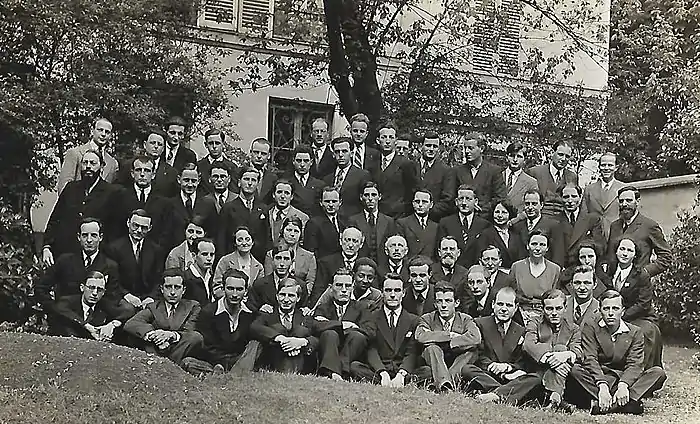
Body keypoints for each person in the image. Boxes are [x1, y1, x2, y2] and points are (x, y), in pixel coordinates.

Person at [578, 290, 667, 415]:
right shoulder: (591, 327)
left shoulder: (635, 332)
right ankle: (628, 403)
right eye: (606, 308)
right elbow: (590, 358)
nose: (610, 313)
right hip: (599, 378)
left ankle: (608, 405)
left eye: (615, 308)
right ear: (600, 310)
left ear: (623, 311)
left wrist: (623, 385)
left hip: (623, 379)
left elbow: (635, 364)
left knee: (658, 373)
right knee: (575, 370)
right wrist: (602, 385)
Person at [460, 287, 542, 404]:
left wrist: (508, 367)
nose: (504, 309)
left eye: (508, 305)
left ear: (515, 308)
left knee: (536, 378)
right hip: (488, 375)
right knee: (467, 369)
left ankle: (495, 394)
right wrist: (492, 366)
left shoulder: (521, 330)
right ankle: (506, 393)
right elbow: (478, 354)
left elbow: (522, 361)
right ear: (493, 304)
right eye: (500, 304)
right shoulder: (479, 323)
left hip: (511, 377)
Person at [37, 218, 126, 317]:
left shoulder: (110, 266)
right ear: (79, 237)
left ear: (100, 237)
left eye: (93, 235)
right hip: (65, 317)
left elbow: (112, 299)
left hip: (95, 318)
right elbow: (41, 288)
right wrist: (54, 308)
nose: (89, 240)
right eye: (85, 235)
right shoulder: (64, 261)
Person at [43, 150, 121, 264]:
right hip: (64, 253)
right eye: (85, 163)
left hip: (95, 258)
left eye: (93, 163)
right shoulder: (70, 188)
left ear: (101, 166)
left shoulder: (112, 192)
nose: (88, 166)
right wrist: (47, 246)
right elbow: (55, 219)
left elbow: (115, 230)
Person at [349, 273, 420, 387]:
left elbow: (412, 352)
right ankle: (385, 381)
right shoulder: (371, 317)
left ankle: (399, 381)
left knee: (426, 371)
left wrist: (401, 374)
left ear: (403, 293)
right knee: (355, 367)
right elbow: (371, 349)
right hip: (379, 369)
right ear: (382, 292)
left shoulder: (413, 320)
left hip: (402, 370)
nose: (392, 295)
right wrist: (382, 372)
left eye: (397, 290)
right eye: (388, 290)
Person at [123, 268, 204, 367]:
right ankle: (158, 364)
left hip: (179, 348)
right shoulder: (154, 307)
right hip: (157, 348)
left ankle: (168, 366)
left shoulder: (192, 306)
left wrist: (171, 335)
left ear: (183, 290)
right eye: (168, 287)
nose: (172, 292)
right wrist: (154, 335)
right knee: (139, 336)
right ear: (162, 289)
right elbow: (132, 323)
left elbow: (189, 330)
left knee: (195, 337)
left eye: (177, 287)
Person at [605, 238, 663, 368]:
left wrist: (621, 316)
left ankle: (640, 370)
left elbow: (643, 304)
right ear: (616, 251)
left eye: (629, 250)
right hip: (613, 313)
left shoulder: (641, 275)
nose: (625, 253)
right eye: (622, 249)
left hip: (639, 316)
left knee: (645, 331)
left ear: (635, 255)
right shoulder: (610, 270)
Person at [251, 278, 328, 373]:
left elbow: (316, 336)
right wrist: (280, 338)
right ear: (277, 296)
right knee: (278, 328)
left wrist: (301, 342)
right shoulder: (268, 313)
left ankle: (289, 372)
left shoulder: (304, 315)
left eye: (291, 295)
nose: (286, 300)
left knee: (300, 331)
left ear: (298, 298)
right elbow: (254, 328)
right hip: (273, 360)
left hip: (301, 362)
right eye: (282, 295)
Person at [415, 282, 481, 391]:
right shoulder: (427, 318)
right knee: (432, 348)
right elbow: (420, 336)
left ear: (457, 303)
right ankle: (446, 384)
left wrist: (447, 342)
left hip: (457, 359)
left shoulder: (465, 319)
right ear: (435, 304)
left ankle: (447, 383)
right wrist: (449, 335)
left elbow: (475, 338)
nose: (443, 305)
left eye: (448, 301)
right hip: (435, 361)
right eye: (439, 301)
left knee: (471, 351)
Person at [523, 289, 581, 411]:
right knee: (560, 349)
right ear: (543, 309)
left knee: (562, 350)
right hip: (539, 370)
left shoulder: (573, 328)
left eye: (558, 308)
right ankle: (557, 398)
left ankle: (554, 398)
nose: (554, 313)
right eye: (549, 309)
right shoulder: (535, 323)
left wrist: (565, 355)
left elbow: (577, 350)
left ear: (565, 308)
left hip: (566, 376)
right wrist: (553, 358)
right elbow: (528, 344)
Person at [313, 268, 375, 380]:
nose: (344, 290)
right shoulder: (323, 307)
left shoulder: (361, 307)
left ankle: (334, 371)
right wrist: (343, 325)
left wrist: (329, 324)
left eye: (348, 286)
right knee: (330, 334)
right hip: (329, 348)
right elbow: (315, 326)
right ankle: (336, 373)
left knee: (358, 336)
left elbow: (370, 331)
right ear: (331, 288)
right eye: (339, 285)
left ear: (352, 287)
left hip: (351, 353)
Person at [195, 269, 260, 373]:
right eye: (230, 288)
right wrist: (224, 362)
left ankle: (231, 371)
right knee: (188, 362)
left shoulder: (251, 312)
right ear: (223, 289)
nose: (234, 294)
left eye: (239, 289)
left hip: (241, 358)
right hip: (215, 360)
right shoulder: (209, 312)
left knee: (256, 344)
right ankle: (232, 371)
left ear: (246, 291)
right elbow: (208, 348)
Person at [105, 209, 165, 310]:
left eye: (144, 228)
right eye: (135, 225)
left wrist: (151, 297)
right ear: (128, 223)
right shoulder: (114, 248)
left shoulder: (156, 250)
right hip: (123, 297)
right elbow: (112, 280)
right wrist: (127, 295)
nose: (139, 230)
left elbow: (159, 279)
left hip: (148, 299)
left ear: (150, 228)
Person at [606, 186, 671, 278]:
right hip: (615, 281)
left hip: (638, 282)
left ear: (637, 201)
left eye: (629, 200)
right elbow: (610, 255)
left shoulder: (649, 226)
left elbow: (666, 257)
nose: (624, 204)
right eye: (621, 201)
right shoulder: (614, 226)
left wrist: (646, 272)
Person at [51, 271, 128, 341]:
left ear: (104, 292)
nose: (95, 293)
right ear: (82, 288)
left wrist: (111, 325)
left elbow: (128, 311)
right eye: (91, 288)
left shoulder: (104, 305)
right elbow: (59, 308)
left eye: (99, 290)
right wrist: (86, 325)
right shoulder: (68, 301)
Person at [507, 230, 562, 326]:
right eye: (534, 244)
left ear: (547, 248)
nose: (537, 248)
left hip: (545, 315)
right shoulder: (516, 267)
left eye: (542, 245)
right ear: (527, 246)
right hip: (520, 314)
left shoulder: (555, 269)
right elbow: (510, 293)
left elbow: (555, 297)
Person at [114, 156, 170, 245]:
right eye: (138, 170)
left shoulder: (163, 200)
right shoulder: (120, 197)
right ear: (132, 173)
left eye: (147, 171)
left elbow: (165, 232)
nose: (142, 174)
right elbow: (115, 229)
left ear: (153, 174)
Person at [450, 132, 507, 218]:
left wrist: (482, 208)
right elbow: (451, 196)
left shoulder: (494, 171)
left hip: (485, 218)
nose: (467, 151)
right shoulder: (457, 171)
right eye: (465, 148)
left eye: (471, 148)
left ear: (482, 148)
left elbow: (500, 197)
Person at [57, 117, 119, 193]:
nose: (103, 134)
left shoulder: (112, 163)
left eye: (107, 132)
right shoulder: (75, 153)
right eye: (100, 130)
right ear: (92, 131)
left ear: (110, 136)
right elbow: (64, 187)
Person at [218, 167, 268, 258]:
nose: (250, 183)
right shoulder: (228, 208)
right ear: (239, 182)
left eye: (253, 180)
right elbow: (221, 239)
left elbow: (267, 238)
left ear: (257, 184)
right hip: (234, 258)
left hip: (257, 259)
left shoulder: (263, 208)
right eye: (246, 179)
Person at [436, 184, 491, 268]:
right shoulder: (445, 223)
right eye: (461, 199)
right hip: (453, 270)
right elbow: (439, 252)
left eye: (468, 199)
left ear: (476, 201)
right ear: (456, 202)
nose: (464, 203)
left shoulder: (484, 225)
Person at [164, 163, 216, 250]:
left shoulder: (208, 204)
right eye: (186, 180)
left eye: (193, 181)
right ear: (179, 179)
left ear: (199, 181)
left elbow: (213, 232)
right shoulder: (169, 204)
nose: (190, 184)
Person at [310, 227, 364, 306]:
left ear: (361, 244)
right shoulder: (326, 263)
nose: (350, 245)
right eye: (347, 240)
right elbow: (318, 290)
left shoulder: (365, 265)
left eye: (355, 241)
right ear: (340, 241)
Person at [374, 123, 418, 218]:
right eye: (384, 137)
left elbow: (413, 191)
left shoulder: (406, 164)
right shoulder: (372, 162)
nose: (387, 141)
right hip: (376, 216)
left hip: (397, 217)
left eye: (391, 137)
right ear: (378, 140)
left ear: (396, 141)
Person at [247, 245, 310, 312]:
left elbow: (302, 309)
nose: (282, 263)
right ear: (272, 260)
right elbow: (251, 307)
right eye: (278, 258)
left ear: (292, 262)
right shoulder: (259, 284)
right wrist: (260, 309)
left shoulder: (301, 285)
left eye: (286, 259)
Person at [264, 216, 316, 295]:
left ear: (300, 234)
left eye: (296, 231)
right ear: (282, 231)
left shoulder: (309, 257)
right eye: (289, 230)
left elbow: (309, 285)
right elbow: (268, 282)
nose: (292, 234)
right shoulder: (271, 254)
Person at [556, 184, 605, 268]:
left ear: (580, 197)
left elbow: (599, 245)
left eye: (574, 196)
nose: (570, 200)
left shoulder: (592, 219)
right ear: (561, 198)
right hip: (563, 268)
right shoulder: (555, 221)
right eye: (566, 197)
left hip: (585, 266)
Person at [526, 140, 578, 218]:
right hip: (540, 219)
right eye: (560, 154)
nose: (563, 159)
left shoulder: (572, 176)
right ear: (552, 153)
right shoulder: (535, 172)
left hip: (562, 220)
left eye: (567, 156)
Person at [349, 181, 396, 265]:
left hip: (383, 266)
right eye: (366, 195)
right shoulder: (353, 220)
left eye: (373, 195)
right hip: (361, 265)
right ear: (361, 197)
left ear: (379, 196)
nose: (370, 198)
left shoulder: (389, 221)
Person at [511, 189, 562, 265]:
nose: (530, 207)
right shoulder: (517, 227)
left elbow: (558, 254)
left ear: (541, 205)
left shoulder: (553, 225)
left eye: (534, 204)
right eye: (527, 204)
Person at [324, 136, 371, 217]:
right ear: (333, 154)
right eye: (337, 152)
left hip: (353, 220)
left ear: (351, 153)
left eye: (344, 151)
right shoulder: (327, 178)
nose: (340, 155)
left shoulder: (362, 175)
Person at [582, 153, 624, 240]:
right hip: (594, 237)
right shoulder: (589, 189)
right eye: (603, 165)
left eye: (610, 165)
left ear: (616, 167)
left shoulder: (623, 188)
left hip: (616, 236)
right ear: (599, 167)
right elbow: (584, 215)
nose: (606, 168)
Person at [416, 132, 454, 221]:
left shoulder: (446, 171)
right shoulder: (411, 166)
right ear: (420, 147)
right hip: (409, 220)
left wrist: (425, 211)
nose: (431, 149)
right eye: (428, 146)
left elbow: (447, 200)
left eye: (435, 146)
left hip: (433, 220)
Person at [477, 199, 523, 269]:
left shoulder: (516, 235)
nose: (500, 215)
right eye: (497, 212)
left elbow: (521, 258)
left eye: (504, 212)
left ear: (510, 214)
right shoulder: (485, 234)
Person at [264, 178, 309, 250]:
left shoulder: (302, 217)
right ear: (273, 195)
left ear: (291, 197)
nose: (282, 196)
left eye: (287, 193)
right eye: (279, 192)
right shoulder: (266, 214)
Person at [431, 236, 472, 312]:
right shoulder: (431, 271)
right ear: (439, 252)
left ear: (458, 253)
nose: (448, 252)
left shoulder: (465, 274)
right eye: (445, 249)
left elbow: (467, 302)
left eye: (452, 249)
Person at [303, 186, 346, 257]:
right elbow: (310, 252)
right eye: (327, 201)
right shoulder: (313, 223)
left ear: (340, 202)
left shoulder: (346, 221)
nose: (331, 205)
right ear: (321, 202)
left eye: (334, 201)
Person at [396, 188, 439, 259]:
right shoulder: (402, 224)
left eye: (424, 202)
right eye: (417, 201)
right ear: (413, 203)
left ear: (431, 204)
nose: (420, 205)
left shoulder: (436, 227)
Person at [196, 128, 239, 195]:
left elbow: (234, 191)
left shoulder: (232, 167)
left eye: (217, 143)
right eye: (211, 143)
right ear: (206, 145)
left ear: (223, 144)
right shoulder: (199, 166)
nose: (214, 146)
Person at [286, 144, 325, 216]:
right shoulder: (286, 183)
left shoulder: (319, 185)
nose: (302, 164)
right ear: (293, 161)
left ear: (311, 162)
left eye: (306, 161)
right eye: (299, 161)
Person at [502, 141, 538, 213]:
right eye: (512, 156)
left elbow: (533, 207)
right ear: (506, 157)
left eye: (519, 156)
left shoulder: (531, 183)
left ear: (524, 159)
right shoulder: (496, 176)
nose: (515, 159)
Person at [182, 238, 217, 307]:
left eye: (212, 254)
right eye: (204, 254)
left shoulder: (213, 277)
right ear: (194, 256)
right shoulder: (185, 278)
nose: (209, 258)